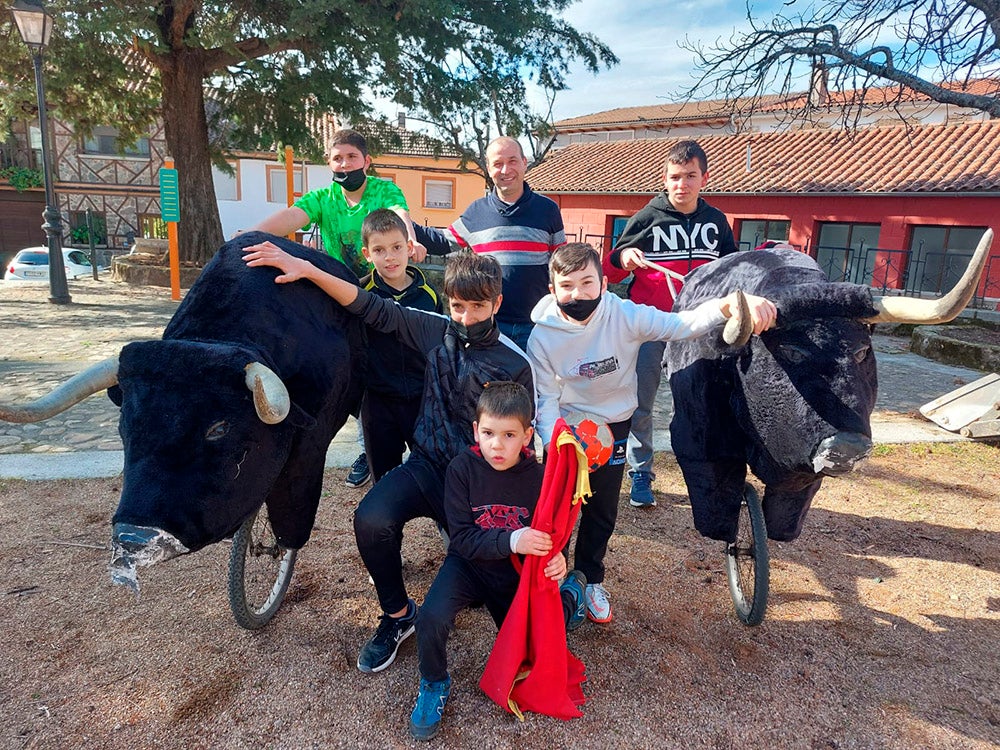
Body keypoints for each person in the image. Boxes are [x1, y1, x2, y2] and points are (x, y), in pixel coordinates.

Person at [241, 239, 535, 674]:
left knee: (490, 581)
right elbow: (370, 306)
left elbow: (526, 441)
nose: (466, 318)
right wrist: (305, 268)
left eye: (477, 307)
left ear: (497, 302)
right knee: (372, 519)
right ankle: (398, 617)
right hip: (428, 465)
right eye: (457, 306)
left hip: (478, 482)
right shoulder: (436, 330)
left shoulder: (515, 363)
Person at [527, 243, 776, 624]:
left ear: (605, 283)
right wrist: (552, 436)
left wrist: (728, 305)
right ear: (552, 290)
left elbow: (680, 325)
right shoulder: (542, 337)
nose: (578, 294)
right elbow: (545, 397)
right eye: (567, 286)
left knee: (602, 508)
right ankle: (549, 580)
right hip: (570, 428)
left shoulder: (625, 315)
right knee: (558, 506)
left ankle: (590, 579)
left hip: (615, 423)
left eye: (587, 283)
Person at [242, 127, 429, 488]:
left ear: (366, 161)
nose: (344, 164)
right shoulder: (324, 198)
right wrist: (251, 235)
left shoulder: (381, 190)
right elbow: (291, 217)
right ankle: (361, 444)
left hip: (381, 292)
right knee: (345, 370)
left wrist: (409, 239)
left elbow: (398, 213)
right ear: (329, 163)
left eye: (351, 157)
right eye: (337, 158)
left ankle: (416, 447)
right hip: (340, 294)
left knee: (390, 366)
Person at [409, 381, 587, 741]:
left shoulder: (539, 478)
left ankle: (573, 596)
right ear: (476, 430)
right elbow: (461, 537)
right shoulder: (462, 469)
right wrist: (513, 538)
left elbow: (552, 531)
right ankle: (433, 682)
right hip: (468, 565)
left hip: (515, 575)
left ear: (527, 436)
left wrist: (558, 562)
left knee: (544, 640)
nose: (496, 444)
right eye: (488, 432)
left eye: (509, 435)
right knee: (430, 617)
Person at [603, 140, 740, 508]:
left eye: (690, 176)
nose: (682, 184)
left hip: (700, 331)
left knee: (704, 404)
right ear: (665, 179)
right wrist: (625, 257)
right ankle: (641, 474)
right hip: (650, 326)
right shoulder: (647, 218)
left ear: (704, 178)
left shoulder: (716, 223)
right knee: (639, 404)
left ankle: (711, 475)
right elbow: (610, 267)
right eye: (675, 177)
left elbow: (731, 271)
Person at [415, 136, 565, 351]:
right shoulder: (476, 212)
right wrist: (403, 222)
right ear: (488, 167)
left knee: (534, 384)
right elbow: (442, 242)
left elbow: (560, 266)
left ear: (524, 162)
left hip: (537, 324)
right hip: (490, 325)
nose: (506, 170)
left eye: (512, 161)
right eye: (498, 163)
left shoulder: (548, 210)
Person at [357, 209, 443, 482]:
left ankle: (443, 522)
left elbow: (440, 344)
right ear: (367, 254)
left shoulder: (429, 295)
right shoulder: (361, 295)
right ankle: (388, 525)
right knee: (384, 478)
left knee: (432, 471)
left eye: (396, 247)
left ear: (409, 248)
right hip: (378, 402)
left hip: (421, 398)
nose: (390, 257)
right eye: (379, 250)